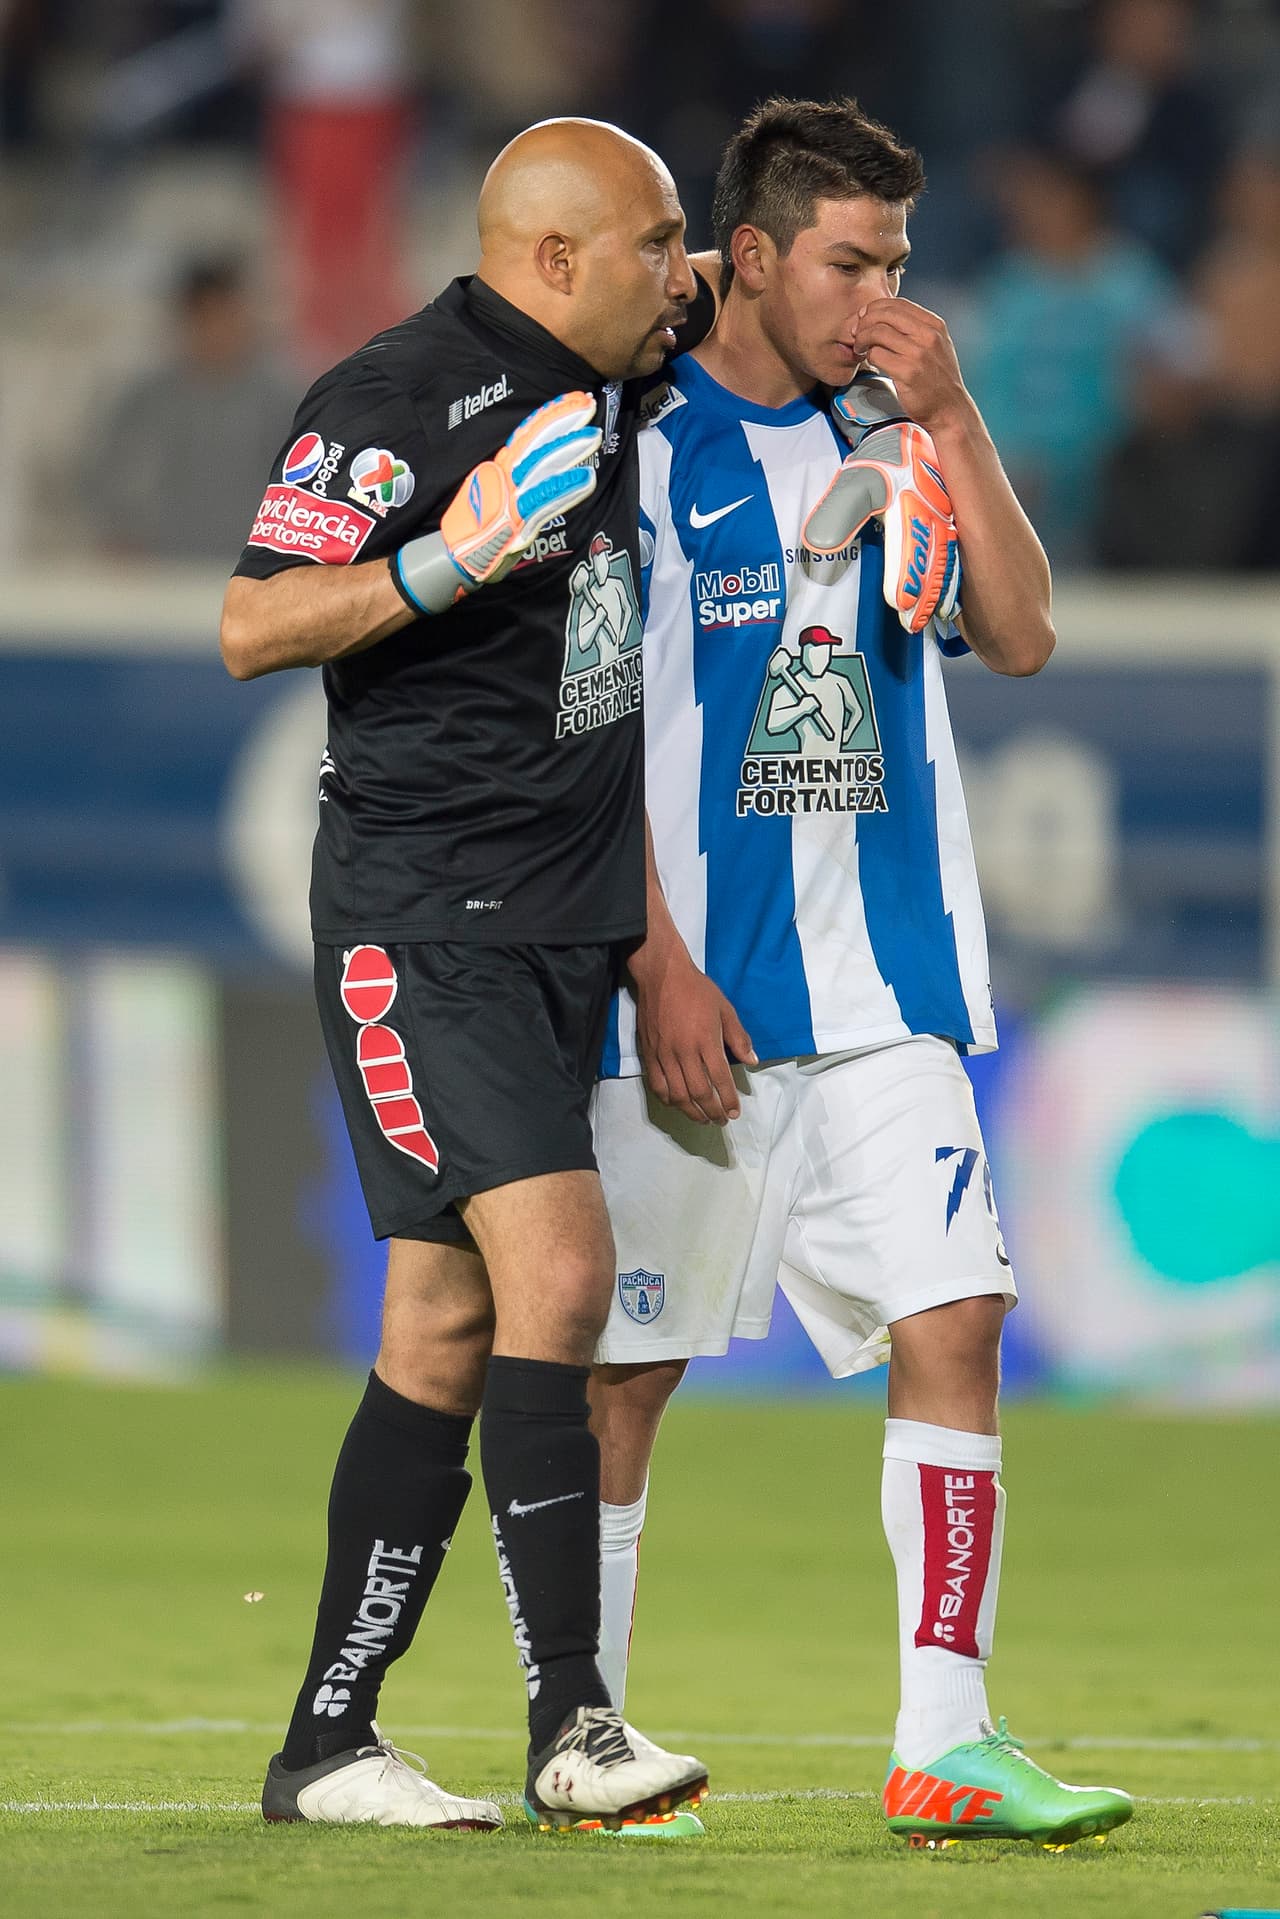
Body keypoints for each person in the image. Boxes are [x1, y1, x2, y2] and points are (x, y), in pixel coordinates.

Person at [585, 96, 1135, 1848]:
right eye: (850, 260)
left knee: (957, 1315)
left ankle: (947, 1740)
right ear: (749, 256)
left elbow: (1027, 636)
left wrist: (957, 414)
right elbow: (583, 735)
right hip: (685, 1006)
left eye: (897, 259)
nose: (880, 294)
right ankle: (578, 1720)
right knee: (622, 1374)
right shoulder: (637, 453)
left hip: (885, 989)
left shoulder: (898, 435)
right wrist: (656, 957)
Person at [219, 116, 720, 1834]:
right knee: (558, 1273)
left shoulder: (619, 357)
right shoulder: (396, 398)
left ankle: (327, 1742)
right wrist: (443, 561)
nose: (686, 274)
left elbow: (739, 284)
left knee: (439, 1321)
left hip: (556, 923)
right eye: (659, 244)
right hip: (430, 912)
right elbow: (250, 623)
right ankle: (575, 1721)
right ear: (554, 257)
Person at [92, 256, 295, 563]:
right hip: (161, 573)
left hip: (254, 571)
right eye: (204, 317)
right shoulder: (144, 400)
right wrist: (120, 534)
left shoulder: (283, 400)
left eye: (225, 315)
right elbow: (104, 480)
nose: (215, 331)